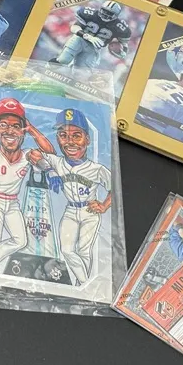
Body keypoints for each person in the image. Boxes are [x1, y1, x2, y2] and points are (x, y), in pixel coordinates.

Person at [28, 109, 112, 285]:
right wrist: (50, 170)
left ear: (87, 140)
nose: (70, 141)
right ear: (58, 138)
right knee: (66, 251)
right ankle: (86, 284)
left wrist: (104, 205)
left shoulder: (96, 169)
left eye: (76, 135)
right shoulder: (57, 162)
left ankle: (82, 285)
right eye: (63, 135)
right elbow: (33, 154)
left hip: (89, 211)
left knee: (84, 251)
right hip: (70, 210)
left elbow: (115, 189)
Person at [0, 98, 54, 271]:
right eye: (4, 125)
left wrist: (31, 128)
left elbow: (50, 152)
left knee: (20, 240)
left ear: (23, 131)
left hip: (12, 202)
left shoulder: (27, 155)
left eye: (16, 126)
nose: (10, 131)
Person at [53, 0, 132, 72]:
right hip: (80, 39)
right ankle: (48, 68)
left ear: (116, 15)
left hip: (94, 48)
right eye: (104, 10)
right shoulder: (90, 14)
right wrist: (87, 36)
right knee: (63, 60)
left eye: (109, 13)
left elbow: (123, 43)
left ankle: (70, 71)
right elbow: (74, 27)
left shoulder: (119, 26)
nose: (105, 14)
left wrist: (123, 52)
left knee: (81, 73)